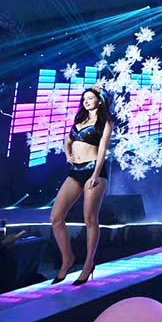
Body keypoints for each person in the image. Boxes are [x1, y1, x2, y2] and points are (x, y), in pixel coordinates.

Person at [51, 87, 113, 285]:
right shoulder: (79, 120)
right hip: (75, 171)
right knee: (56, 217)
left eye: (90, 98)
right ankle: (67, 258)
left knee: (90, 218)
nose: (86, 101)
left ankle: (88, 263)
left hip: (94, 170)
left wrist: (95, 174)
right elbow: (67, 140)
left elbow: (102, 150)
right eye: (84, 98)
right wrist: (67, 153)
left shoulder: (104, 123)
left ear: (99, 101)